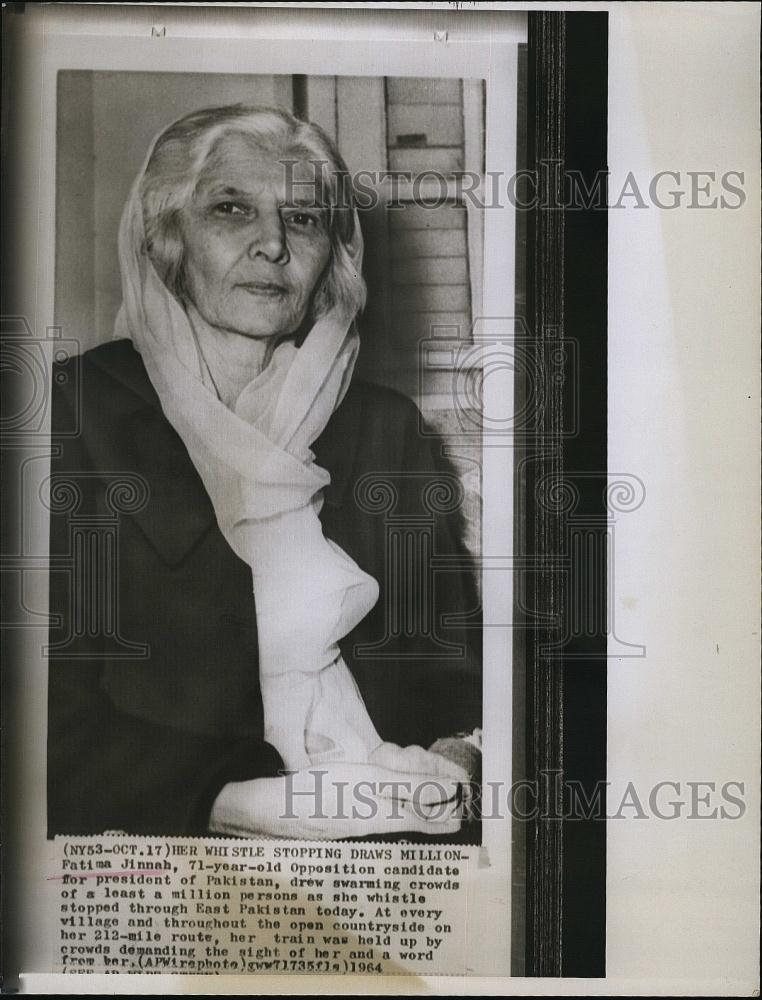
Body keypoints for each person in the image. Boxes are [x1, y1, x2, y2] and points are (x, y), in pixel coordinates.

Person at [47, 105, 481, 839]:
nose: (273, 244)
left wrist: (454, 758)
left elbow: (455, 667)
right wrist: (236, 802)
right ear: (168, 238)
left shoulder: (387, 428)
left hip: (385, 814)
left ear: (331, 256)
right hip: (173, 830)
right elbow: (37, 721)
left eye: (304, 218)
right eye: (231, 209)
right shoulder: (69, 416)